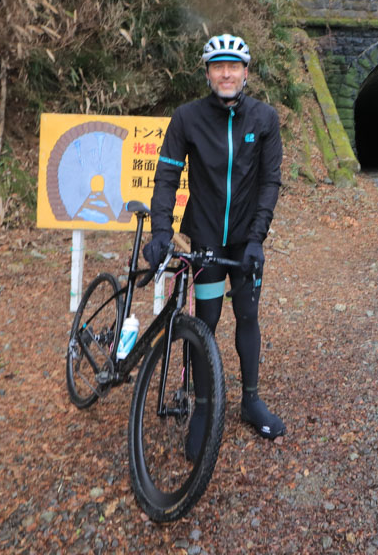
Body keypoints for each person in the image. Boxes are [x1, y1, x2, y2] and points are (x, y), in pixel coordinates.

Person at [143, 33, 286, 455]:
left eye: (234, 66)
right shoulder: (187, 118)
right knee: (204, 322)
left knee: (247, 314)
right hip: (205, 237)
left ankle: (251, 401)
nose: (226, 73)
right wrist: (161, 233)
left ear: (246, 73)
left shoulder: (265, 119)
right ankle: (203, 409)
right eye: (218, 66)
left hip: (245, 244)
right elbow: (167, 176)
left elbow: (270, 181)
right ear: (207, 73)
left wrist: (258, 238)